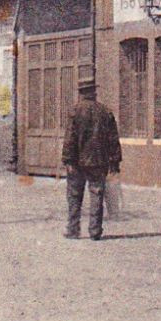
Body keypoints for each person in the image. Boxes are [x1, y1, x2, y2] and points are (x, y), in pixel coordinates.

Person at [61, 78, 121, 240]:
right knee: (97, 194)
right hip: (99, 162)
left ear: (81, 93)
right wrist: (115, 161)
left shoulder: (74, 111)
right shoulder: (105, 112)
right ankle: (95, 231)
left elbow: (70, 139)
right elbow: (113, 139)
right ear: (94, 93)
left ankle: (73, 230)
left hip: (77, 162)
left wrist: (67, 160)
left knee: (74, 195)